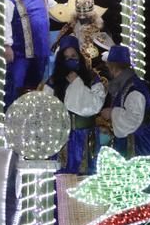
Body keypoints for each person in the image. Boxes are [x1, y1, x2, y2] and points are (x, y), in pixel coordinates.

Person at [44, 35, 106, 175]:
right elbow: (46, 108)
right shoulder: (54, 81)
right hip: (61, 139)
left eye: (73, 55)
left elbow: (96, 105)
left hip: (85, 136)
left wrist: (77, 83)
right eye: (66, 57)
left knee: (84, 179)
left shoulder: (91, 78)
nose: (70, 60)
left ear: (79, 56)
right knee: (61, 179)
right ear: (61, 60)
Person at [3, 0, 57, 107]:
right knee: (15, 87)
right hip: (20, 54)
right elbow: (5, 22)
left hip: (41, 53)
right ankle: (9, 118)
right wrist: (7, 45)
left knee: (36, 89)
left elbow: (57, 12)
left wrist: (75, 11)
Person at [98, 45, 150, 158]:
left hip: (140, 146)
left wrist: (112, 113)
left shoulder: (133, 87)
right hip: (137, 144)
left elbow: (133, 119)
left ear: (113, 67)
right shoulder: (126, 85)